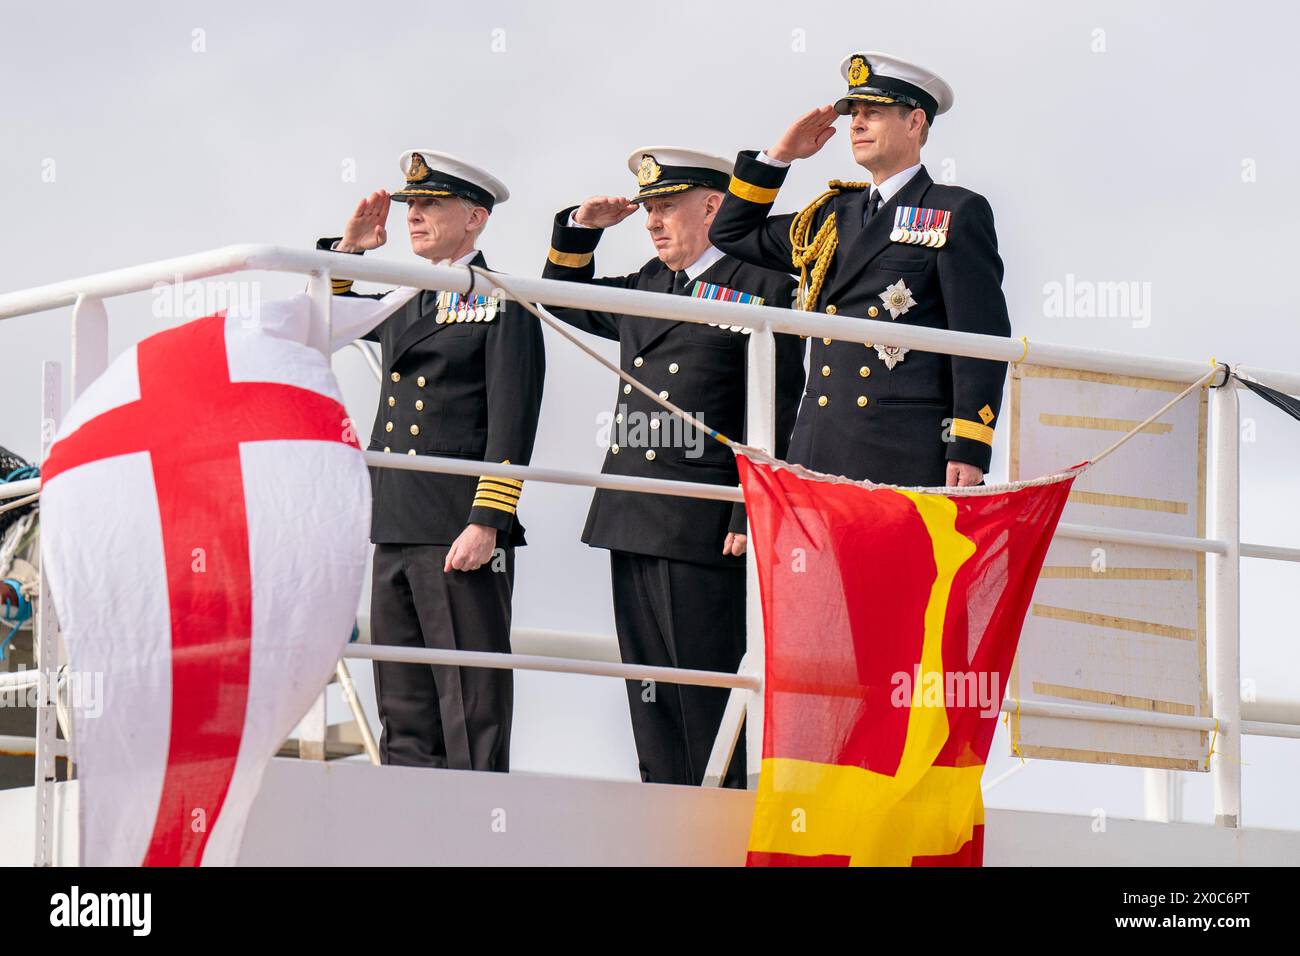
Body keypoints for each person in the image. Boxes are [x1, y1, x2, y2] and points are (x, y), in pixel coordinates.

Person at [542, 147, 805, 786]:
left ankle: (717, 814)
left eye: (667, 208)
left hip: (706, 518)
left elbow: (780, 407)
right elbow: (559, 299)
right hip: (630, 512)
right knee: (650, 687)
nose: (654, 222)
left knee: (704, 685)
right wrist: (580, 230)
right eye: (649, 210)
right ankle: (661, 809)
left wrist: (752, 503)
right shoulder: (647, 287)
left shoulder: (764, 287)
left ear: (713, 207)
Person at [317, 149, 545, 771]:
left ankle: (478, 826)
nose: (413, 216)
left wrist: (488, 520)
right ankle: (406, 827)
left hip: (456, 524)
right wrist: (350, 249)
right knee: (404, 698)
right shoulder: (403, 299)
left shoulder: (502, 303)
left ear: (474, 218)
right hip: (393, 518)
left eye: (429, 205)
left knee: (469, 700)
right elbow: (323, 320)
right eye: (410, 205)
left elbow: (512, 419)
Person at [711, 52, 1011, 487]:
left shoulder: (955, 210)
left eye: (874, 112)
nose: (856, 124)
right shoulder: (833, 214)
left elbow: (980, 337)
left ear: (914, 122)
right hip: (818, 442)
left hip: (903, 446)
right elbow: (732, 232)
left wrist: (969, 447)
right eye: (854, 114)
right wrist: (779, 156)